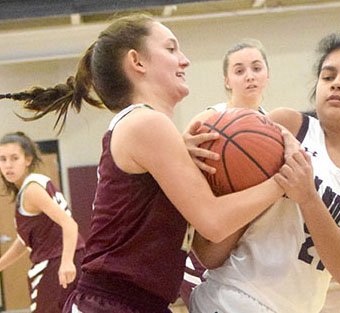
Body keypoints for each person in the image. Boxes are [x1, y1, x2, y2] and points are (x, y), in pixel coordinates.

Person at [0, 14, 299, 313]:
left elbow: (208, 252)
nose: (185, 61)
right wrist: (283, 178)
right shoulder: (145, 123)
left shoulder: (149, 129)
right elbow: (215, 221)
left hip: (138, 303)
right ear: (137, 62)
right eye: (171, 49)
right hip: (110, 305)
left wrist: (250, 181)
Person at [188, 33, 340, 313]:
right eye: (328, 76)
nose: (336, 83)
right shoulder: (285, 127)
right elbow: (210, 253)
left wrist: (308, 197)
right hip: (229, 298)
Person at [180, 38, 271, 306]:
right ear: (227, 80)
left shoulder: (274, 127)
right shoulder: (210, 120)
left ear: (267, 74)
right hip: (206, 243)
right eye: (239, 70)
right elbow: (176, 168)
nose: (249, 76)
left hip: (249, 247)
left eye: (256, 68)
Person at [0, 132, 85, 313]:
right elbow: (24, 241)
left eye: (14, 158)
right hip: (64, 257)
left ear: (28, 159)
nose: (8, 165)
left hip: (57, 261)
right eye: (3, 159)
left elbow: (69, 224)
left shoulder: (32, 190)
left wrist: (66, 262)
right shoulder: (33, 185)